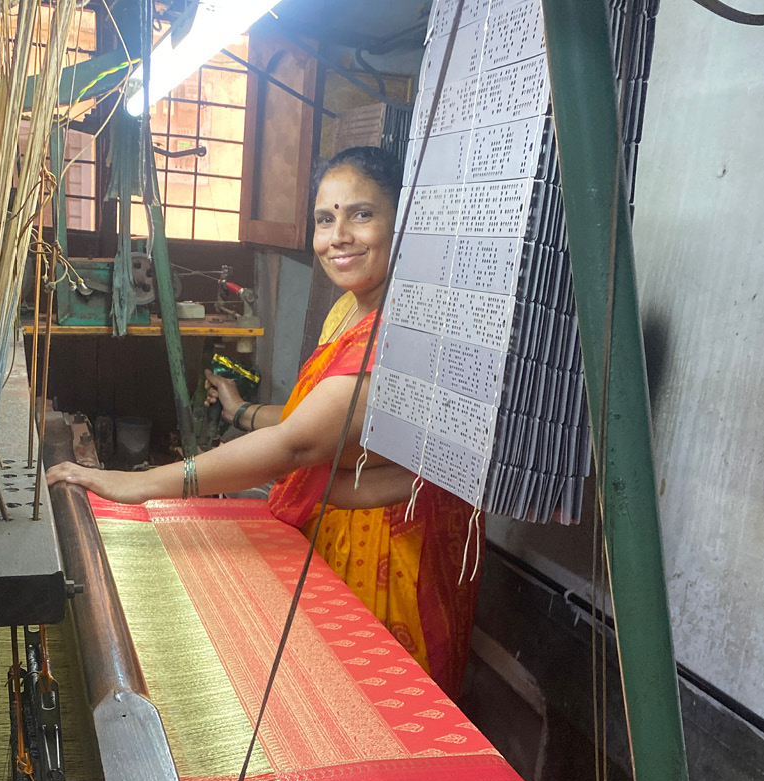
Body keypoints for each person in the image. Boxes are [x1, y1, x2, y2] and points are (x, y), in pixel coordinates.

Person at [46, 145, 482, 699]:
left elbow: (296, 445)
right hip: (341, 526)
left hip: (393, 553)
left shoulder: (402, 336)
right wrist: (241, 410)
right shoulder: (350, 309)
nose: (338, 236)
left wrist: (139, 484)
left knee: (373, 701)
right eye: (324, 219)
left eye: (362, 214)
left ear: (403, 221)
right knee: (324, 690)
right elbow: (317, 415)